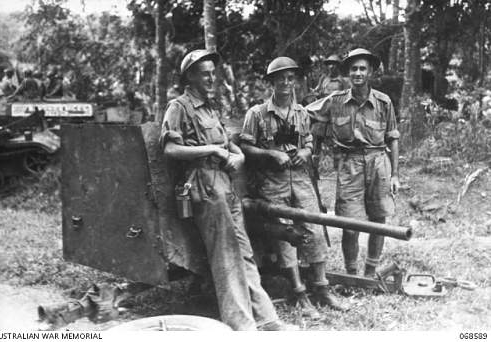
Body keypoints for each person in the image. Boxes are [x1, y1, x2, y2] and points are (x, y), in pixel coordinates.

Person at [160, 49, 292, 331]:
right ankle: (241, 325)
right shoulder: (179, 107)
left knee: (244, 251)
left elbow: (229, 143)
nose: (211, 78)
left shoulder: (210, 108)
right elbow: (170, 148)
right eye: (205, 73)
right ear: (190, 76)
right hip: (204, 185)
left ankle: (266, 318)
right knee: (226, 255)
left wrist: (238, 156)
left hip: (226, 185)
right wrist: (212, 151)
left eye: (212, 73)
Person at [240, 56, 345, 319]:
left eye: (291, 78)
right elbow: (244, 147)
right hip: (272, 182)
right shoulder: (257, 114)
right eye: (280, 78)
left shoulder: (301, 113)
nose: (287, 83)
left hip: (299, 178)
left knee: (315, 226)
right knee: (286, 235)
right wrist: (270, 155)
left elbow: (309, 142)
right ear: (272, 82)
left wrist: (306, 152)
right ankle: (299, 293)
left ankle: (321, 288)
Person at [306, 48, 400, 277]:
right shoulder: (335, 101)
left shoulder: (383, 102)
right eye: (354, 69)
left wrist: (395, 174)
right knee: (349, 223)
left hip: (378, 163)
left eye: (362, 69)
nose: (358, 73)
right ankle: (351, 273)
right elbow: (305, 114)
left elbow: (393, 139)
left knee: (379, 219)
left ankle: (370, 271)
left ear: (370, 73)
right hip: (349, 164)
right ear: (348, 73)